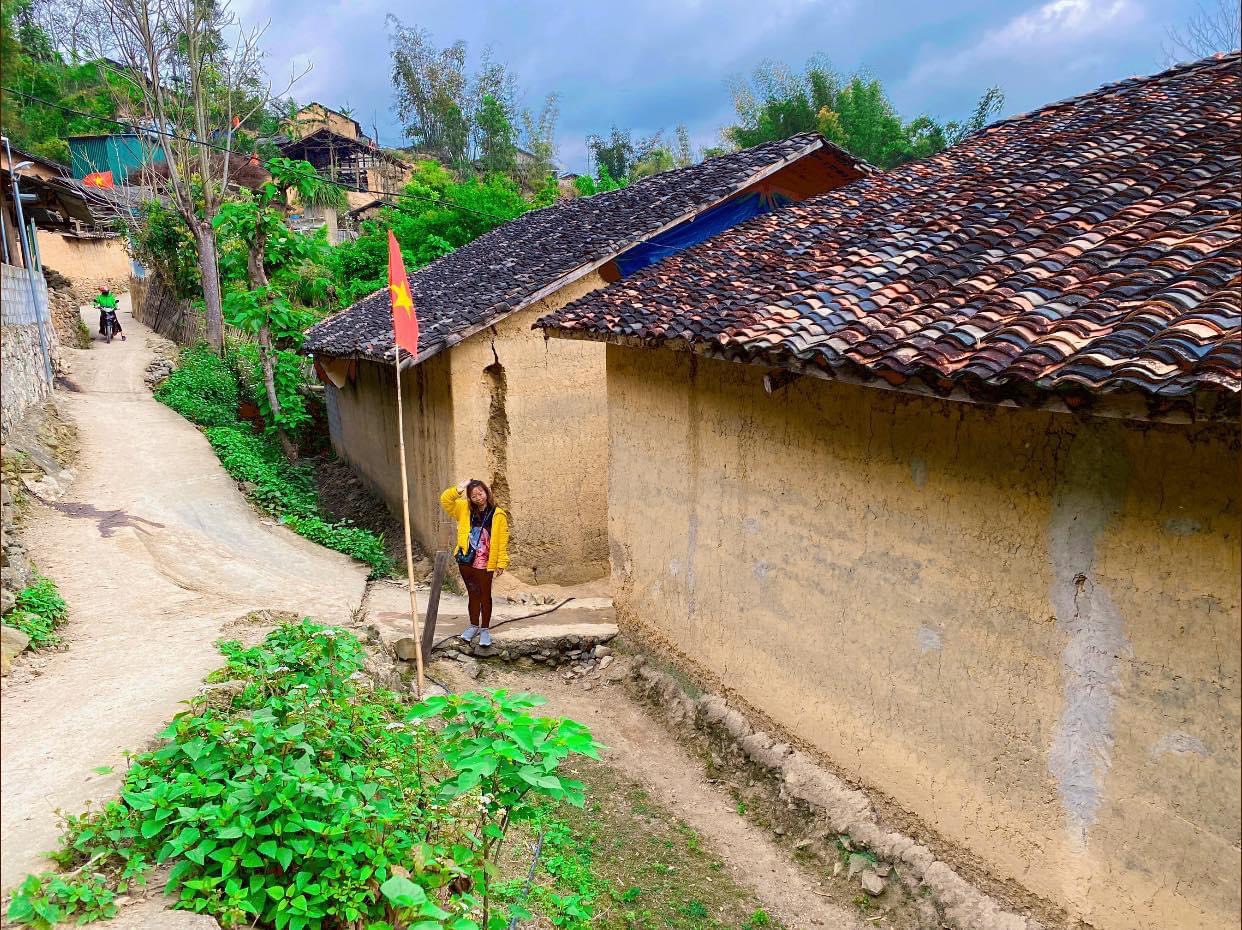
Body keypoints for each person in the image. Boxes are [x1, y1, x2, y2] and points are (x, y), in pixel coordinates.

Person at [440, 479, 509, 647]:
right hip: (466, 559)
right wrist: (459, 489)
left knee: (484, 595)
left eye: (481, 493)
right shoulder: (463, 508)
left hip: (485, 560)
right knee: (472, 593)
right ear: (469, 498)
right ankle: (472, 626)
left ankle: (485, 629)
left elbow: (502, 540)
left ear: (486, 492)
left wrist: (501, 562)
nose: (478, 497)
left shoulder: (497, 514)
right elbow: (445, 500)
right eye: (473, 495)